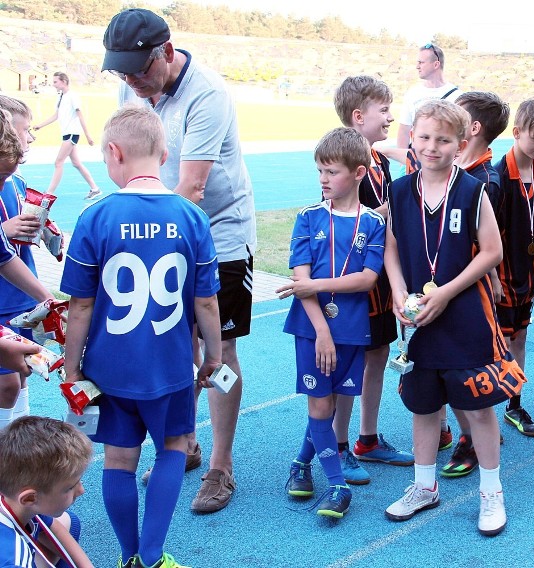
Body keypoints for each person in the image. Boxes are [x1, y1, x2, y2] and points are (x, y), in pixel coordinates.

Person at [102, 8, 257, 513]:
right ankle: (184, 444)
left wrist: (141, 238)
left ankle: (221, 465)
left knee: (220, 350)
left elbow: (190, 186)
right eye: (123, 74)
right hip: (162, 232)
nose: (132, 83)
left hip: (218, 235)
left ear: (167, 53)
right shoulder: (133, 85)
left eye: (140, 72)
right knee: (176, 344)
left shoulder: (207, 93)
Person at [61, 105, 223, 568]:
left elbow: (81, 306)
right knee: (175, 447)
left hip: (110, 368)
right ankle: (153, 557)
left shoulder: (96, 217)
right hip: (170, 367)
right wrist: (211, 356)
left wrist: (73, 368)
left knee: (118, 459)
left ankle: (128, 554)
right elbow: (206, 303)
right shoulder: (192, 218)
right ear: (165, 153)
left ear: (114, 153)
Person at [383, 100, 525, 536]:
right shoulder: (400, 190)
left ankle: (491, 493)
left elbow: (493, 252)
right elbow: (389, 246)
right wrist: (397, 290)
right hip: (421, 317)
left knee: (477, 407)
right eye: (423, 137)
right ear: (412, 140)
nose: (431, 146)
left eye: (443, 140)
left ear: (460, 145)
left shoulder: (473, 190)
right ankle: (424, 486)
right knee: (424, 405)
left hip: (466, 315)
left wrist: (445, 292)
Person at [277, 127, 386, 518]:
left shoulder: (373, 223)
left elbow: (367, 279)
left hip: (353, 329)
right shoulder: (307, 218)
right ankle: (338, 485)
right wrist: (322, 329)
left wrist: (314, 285)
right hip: (312, 330)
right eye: (319, 171)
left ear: (359, 173)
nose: (323, 179)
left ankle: (300, 464)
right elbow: (298, 276)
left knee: (333, 405)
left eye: (331, 171)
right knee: (321, 406)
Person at [329, 76, 413, 486]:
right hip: (352, 286)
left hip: (379, 283)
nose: (391, 117)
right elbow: (340, 218)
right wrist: (394, 207)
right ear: (358, 116)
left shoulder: (378, 160)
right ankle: (338, 446)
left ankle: (367, 438)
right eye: (384, 110)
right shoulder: (342, 160)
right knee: (348, 366)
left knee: (377, 355)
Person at [441, 90, 509, 477]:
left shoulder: (485, 179)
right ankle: (453, 430)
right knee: (438, 367)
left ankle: (473, 437)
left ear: (473, 128)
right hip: (440, 281)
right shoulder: (452, 168)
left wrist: (492, 276)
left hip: (465, 287)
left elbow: (484, 243)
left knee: (466, 370)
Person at [493, 97, 534, 437]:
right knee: (496, 343)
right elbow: (486, 234)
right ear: (517, 133)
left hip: (526, 272)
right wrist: (491, 276)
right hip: (501, 274)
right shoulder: (499, 175)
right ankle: (483, 412)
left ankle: (513, 405)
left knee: (520, 336)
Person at [0, 104, 54, 429]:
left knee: (19, 372)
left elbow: (5, 259)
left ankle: (14, 457)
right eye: (1, 176)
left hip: (16, 303)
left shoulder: (16, 185)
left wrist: (49, 301)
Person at [0, 416, 93, 568]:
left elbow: (52, 526)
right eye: (70, 487)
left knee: (69, 522)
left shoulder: (15, 502)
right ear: (29, 498)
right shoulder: (13, 560)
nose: (81, 490)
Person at [391, 43, 461, 173]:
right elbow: (404, 130)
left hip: (445, 167)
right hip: (415, 164)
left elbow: (462, 136)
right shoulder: (412, 94)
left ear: (436, 64)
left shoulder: (457, 96)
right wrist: (405, 164)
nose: (417, 66)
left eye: (421, 62)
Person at [32, 72, 100, 199]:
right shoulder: (60, 97)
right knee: (76, 163)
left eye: (55, 82)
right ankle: (95, 188)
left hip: (72, 133)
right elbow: (56, 116)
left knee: (58, 162)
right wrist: (40, 125)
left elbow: (80, 115)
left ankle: (49, 193)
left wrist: (88, 136)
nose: (53, 85)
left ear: (64, 81)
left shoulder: (72, 96)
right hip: (67, 133)